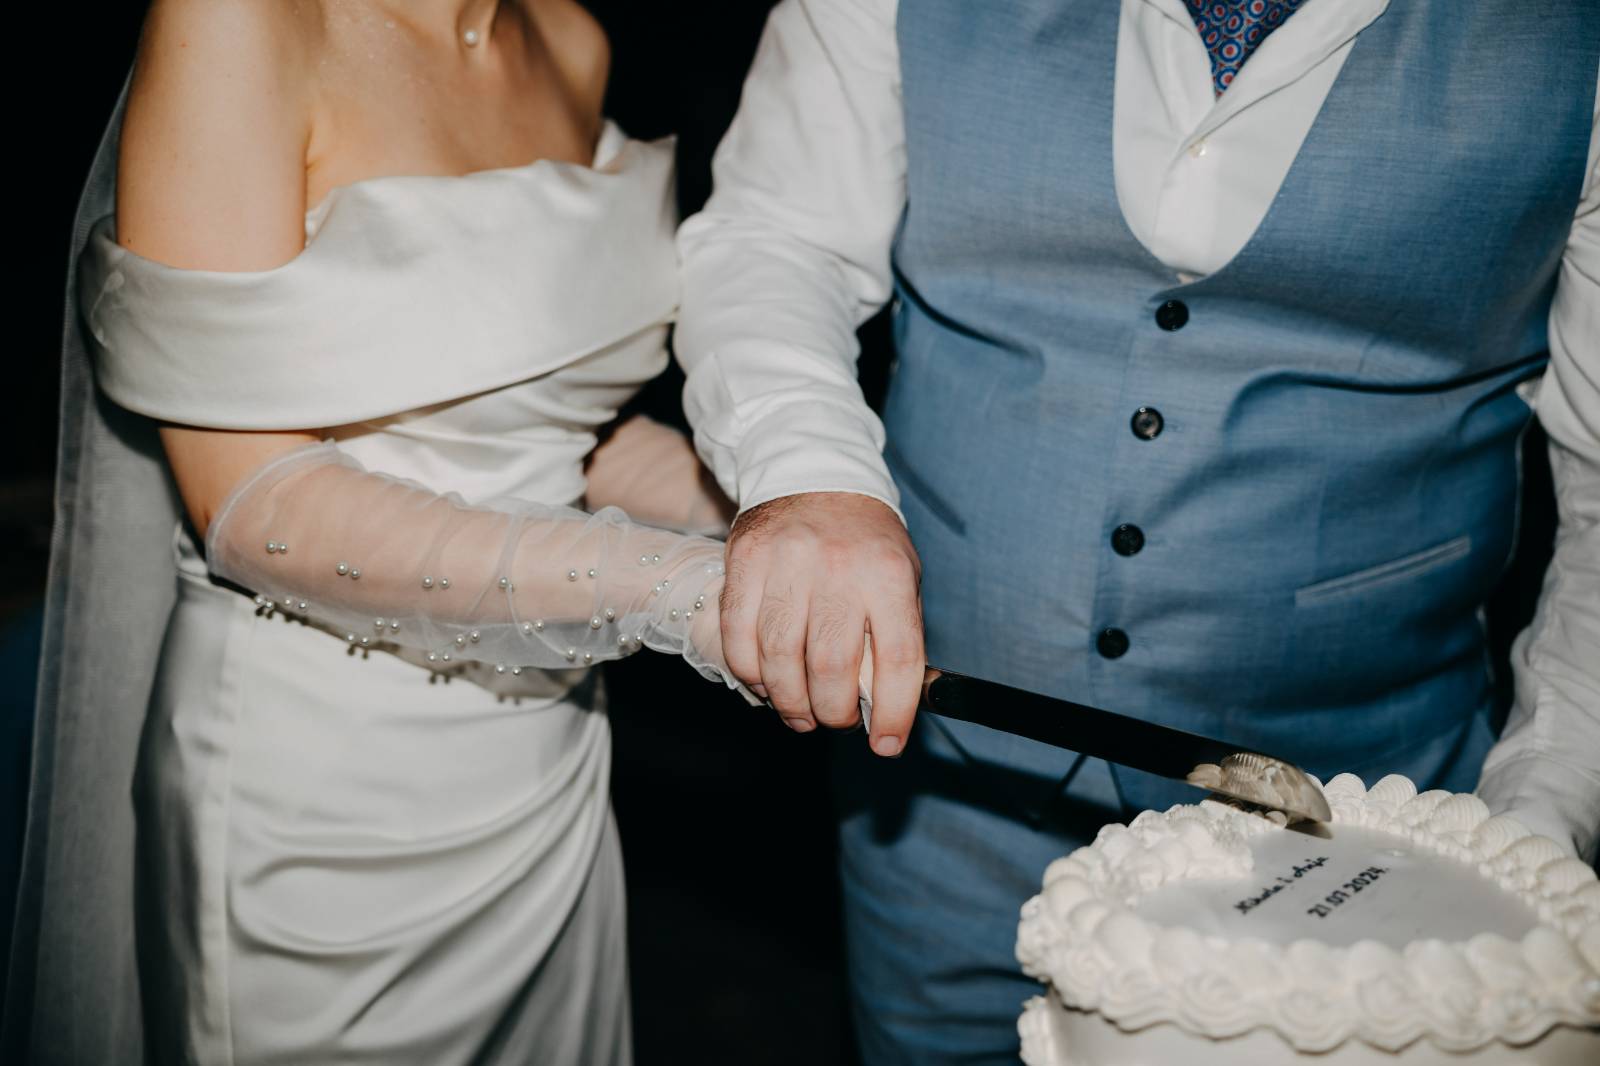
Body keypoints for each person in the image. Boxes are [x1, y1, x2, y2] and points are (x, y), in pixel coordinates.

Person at [675, 0, 1600, 1061]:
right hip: (938, 799)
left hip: (1363, 822)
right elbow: (774, 234)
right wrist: (811, 477)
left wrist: (1530, 832)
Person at [5, 1, 757, 1062]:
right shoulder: (238, 22)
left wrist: (783, 517)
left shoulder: (570, 40)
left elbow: (548, 436)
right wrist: (680, 589)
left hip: (545, 762)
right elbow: (252, 503)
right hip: (321, 808)